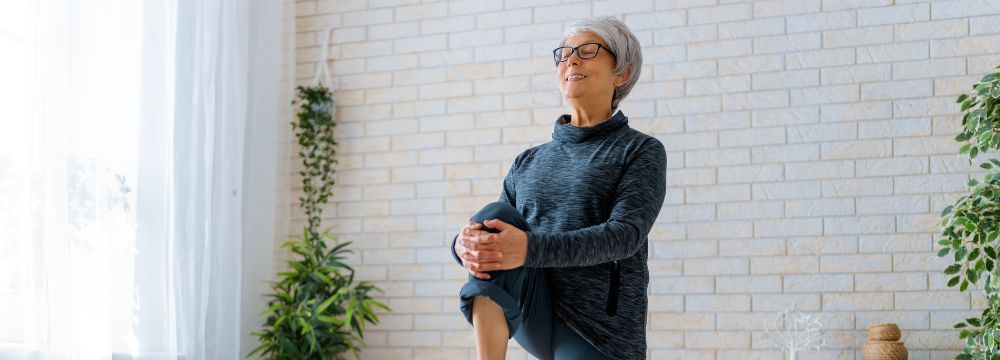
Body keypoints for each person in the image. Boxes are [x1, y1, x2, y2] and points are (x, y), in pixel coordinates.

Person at [449, 15, 666, 360]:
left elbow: (625, 235)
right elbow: (499, 236)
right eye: (563, 54)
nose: (571, 60)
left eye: (587, 50)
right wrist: (463, 245)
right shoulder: (528, 161)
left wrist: (528, 249)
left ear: (621, 73)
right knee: (493, 216)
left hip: (598, 333)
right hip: (534, 311)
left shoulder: (639, 151)